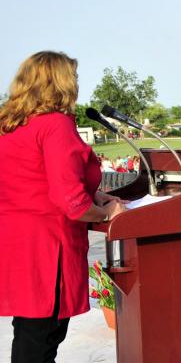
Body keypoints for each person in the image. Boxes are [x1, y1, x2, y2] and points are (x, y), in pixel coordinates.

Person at [0, 51, 127, 363]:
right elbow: (70, 202)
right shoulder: (55, 124)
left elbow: (38, 178)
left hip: (17, 243)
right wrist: (107, 213)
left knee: (29, 332)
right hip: (47, 247)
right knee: (42, 340)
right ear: (60, 82)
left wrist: (93, 195)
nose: (78, 84)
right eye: (74, 78)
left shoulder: (13, 125)